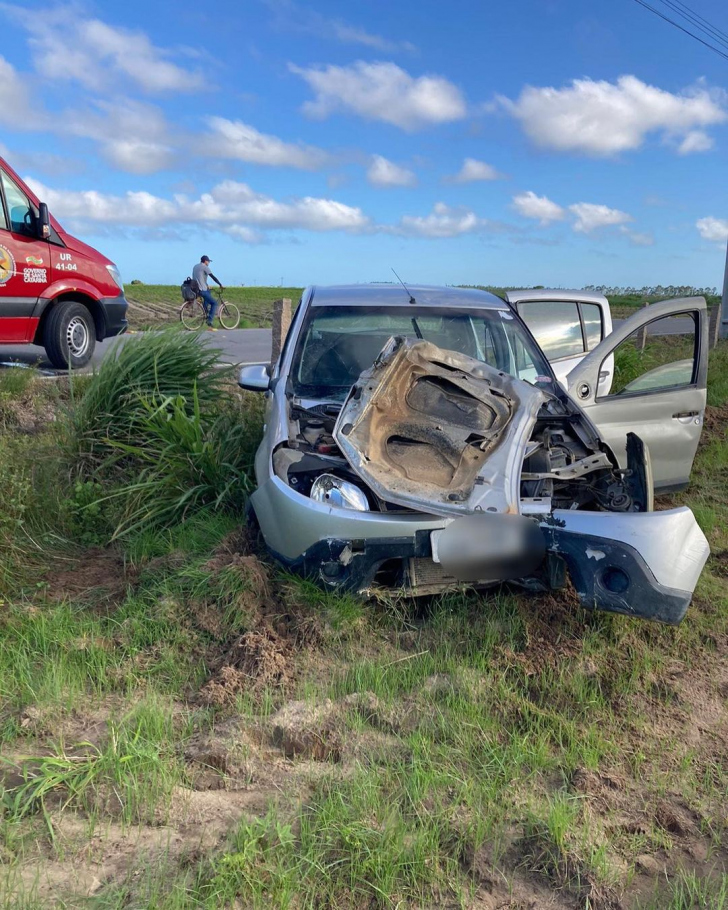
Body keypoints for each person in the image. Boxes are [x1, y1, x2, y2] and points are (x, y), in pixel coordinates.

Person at [192, 255, 224, 329]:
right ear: (205, 261)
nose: (209, 262)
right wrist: (220, 284)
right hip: (201, 289)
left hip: (195, 288)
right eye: (208, 261)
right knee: (214, 303)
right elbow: (212, 276)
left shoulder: (195, 266)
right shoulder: (205, 267)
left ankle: (205, 311)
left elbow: (199, 278)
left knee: (208, 292)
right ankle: (209, 320)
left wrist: (207, 285)